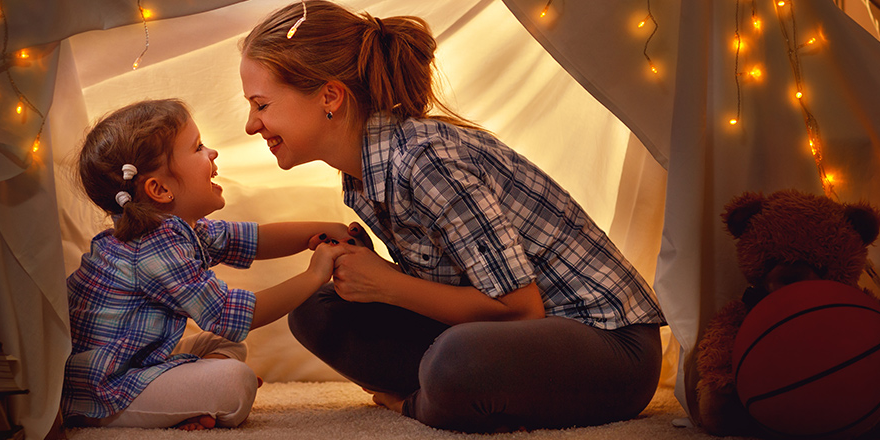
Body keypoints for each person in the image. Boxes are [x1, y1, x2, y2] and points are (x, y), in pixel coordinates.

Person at [238, 1, 667, 433]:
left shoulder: (426, 161)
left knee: (457, 360)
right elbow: (458, 286)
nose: (251, 126)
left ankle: (421, 403)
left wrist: (387, 284)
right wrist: (372, 274)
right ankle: (450, 392)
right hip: (512, 339)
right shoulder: (363, 175)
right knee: (316, 308)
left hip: (608, 346)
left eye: (261, 105)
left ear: (329, 96)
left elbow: (520, 310)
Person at [62, 98, 360, 431]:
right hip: (105, 388)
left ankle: (189, 400)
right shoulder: (150, 247)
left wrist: (322, 229)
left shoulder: (178, 230)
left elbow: (255, 239)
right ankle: (161, 405)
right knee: (236, 383)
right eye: (198, 147)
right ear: (159, 189)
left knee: (224, 346)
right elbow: (228, 314)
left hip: (137, 361)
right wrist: (314, 275)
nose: (212, 153)